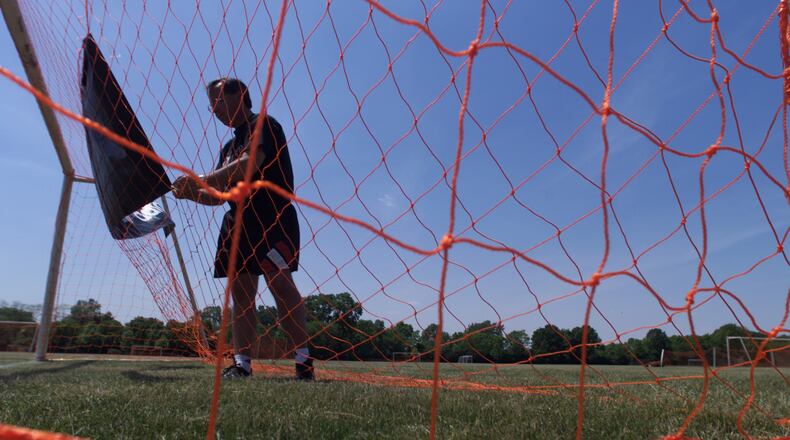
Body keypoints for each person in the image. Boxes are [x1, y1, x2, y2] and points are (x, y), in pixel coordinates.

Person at [172, 77, 313, 380]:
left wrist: (199, 179)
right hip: (237, 224)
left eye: (218, 100)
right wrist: (191, 193)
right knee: (242, 297)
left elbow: (249, 164)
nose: (214, 109)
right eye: (211, 105)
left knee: (280, 284)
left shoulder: (264, 124)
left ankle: (303, 363)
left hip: (271, 217)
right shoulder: (227, 148)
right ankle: (242, 364)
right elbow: (216, 195)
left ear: (242, 95)